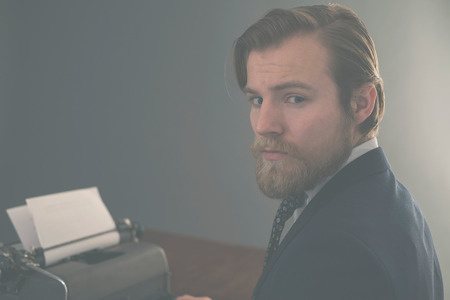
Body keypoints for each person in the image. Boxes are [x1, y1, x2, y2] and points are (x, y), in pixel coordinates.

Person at [178, 4, 443, 300]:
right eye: (257, 99)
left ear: (360, 103)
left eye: (294, 98)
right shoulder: (392, 201)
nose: (264, 125)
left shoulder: (334, 251)